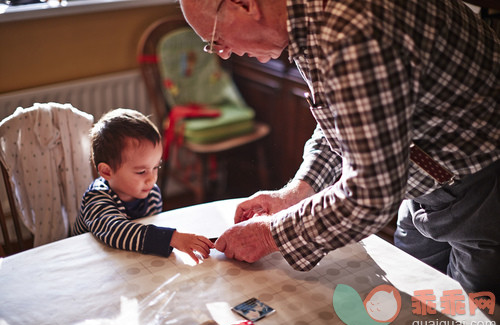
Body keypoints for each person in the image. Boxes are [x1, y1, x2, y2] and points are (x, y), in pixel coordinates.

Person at [179, 0, 500, 298]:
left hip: (483, 182)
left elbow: (371, 195)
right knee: (413, 302)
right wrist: (296, 192)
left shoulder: (350, 30)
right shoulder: (306, 23)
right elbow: (350, 118)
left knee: (473, 315)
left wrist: (269, 234)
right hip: (421, 184)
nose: (221, 54)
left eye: (216, 39)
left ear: (245, 4)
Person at [72, 109, 214, 262]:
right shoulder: (96, 198)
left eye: (155, 167)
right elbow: (116, 232)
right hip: (87, 261)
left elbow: (146, 233)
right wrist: (172, 238)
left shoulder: (151, 193)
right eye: (141, 172)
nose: (152, 179)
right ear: (107, 172)